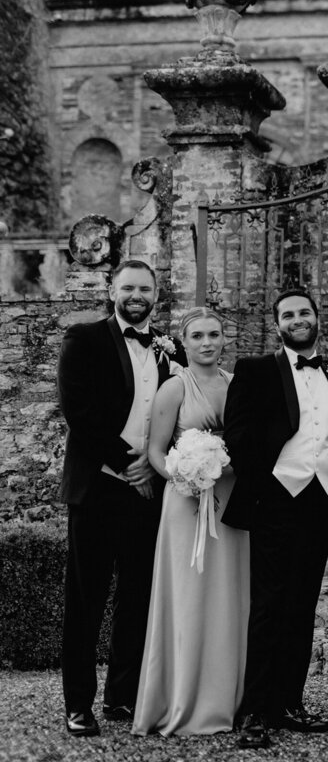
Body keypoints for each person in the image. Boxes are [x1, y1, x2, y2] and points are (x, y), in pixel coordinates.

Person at [222, 289, 328, 749]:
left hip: (320, 499)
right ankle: (255, 711)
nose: (297, 320)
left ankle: (288, 703)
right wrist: (265, 488)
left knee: (303, 607)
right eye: (288, 315)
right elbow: (237, 435)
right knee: (269, 605)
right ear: (277, 324)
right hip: (274, 500)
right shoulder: (255, 369)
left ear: (317, 318)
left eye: (304, 312)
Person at [57, 259, 186, 737]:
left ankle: (123, 697)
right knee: (86, 599)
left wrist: (155, 464)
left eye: (144, 288)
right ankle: (78, 705)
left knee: (138, 596)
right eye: (128, 286)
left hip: (148, 491)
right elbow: (80, 412)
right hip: (97, 488)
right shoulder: (83, 339)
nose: (136, 294)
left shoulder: (171, 349)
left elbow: (182, 414)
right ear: (113, 290)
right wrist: (126, 462)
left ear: (156, 294)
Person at [133, 308, 248, 736]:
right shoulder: (173, 389)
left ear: (224, 339)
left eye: (214, 334)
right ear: (184, 341)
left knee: (227, 598)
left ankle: (226, 699)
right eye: (197, 335)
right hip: (184, 502)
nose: (206, 342)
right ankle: (181, 698)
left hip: (230, 503)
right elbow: (157, 452)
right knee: (189, 595)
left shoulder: (238, 385)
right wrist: (185, 475)